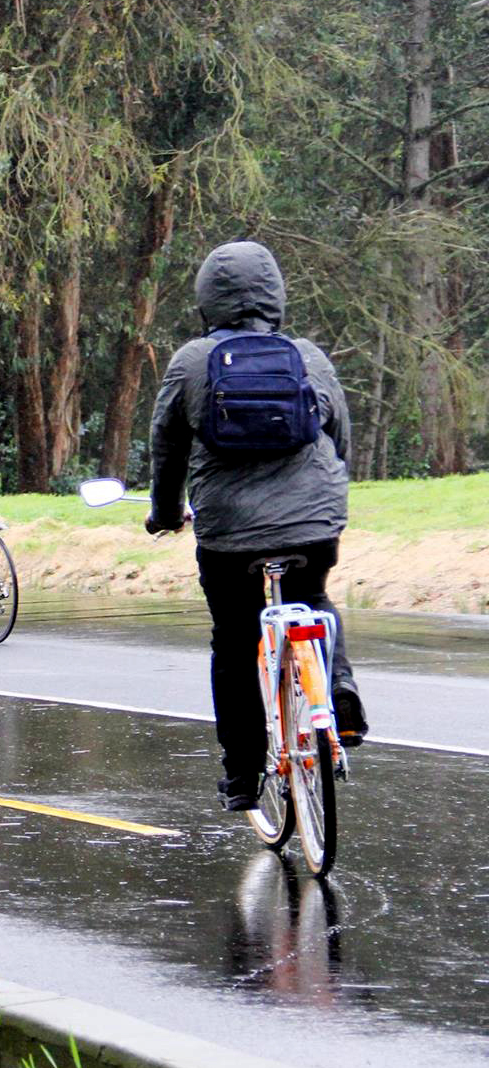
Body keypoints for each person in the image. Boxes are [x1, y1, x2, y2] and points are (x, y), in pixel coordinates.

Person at [146, 239, 366, 811]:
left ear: (206, 301)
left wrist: (165, 513)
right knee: (313, 594)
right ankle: (338, 692)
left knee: (236, 639)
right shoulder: (308, 355)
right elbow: (338, 434)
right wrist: (327, 496)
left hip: (228, 532)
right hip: (313, 518)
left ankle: (243, 774)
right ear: (275, 296)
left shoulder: (192, 361)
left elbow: (165, 450)